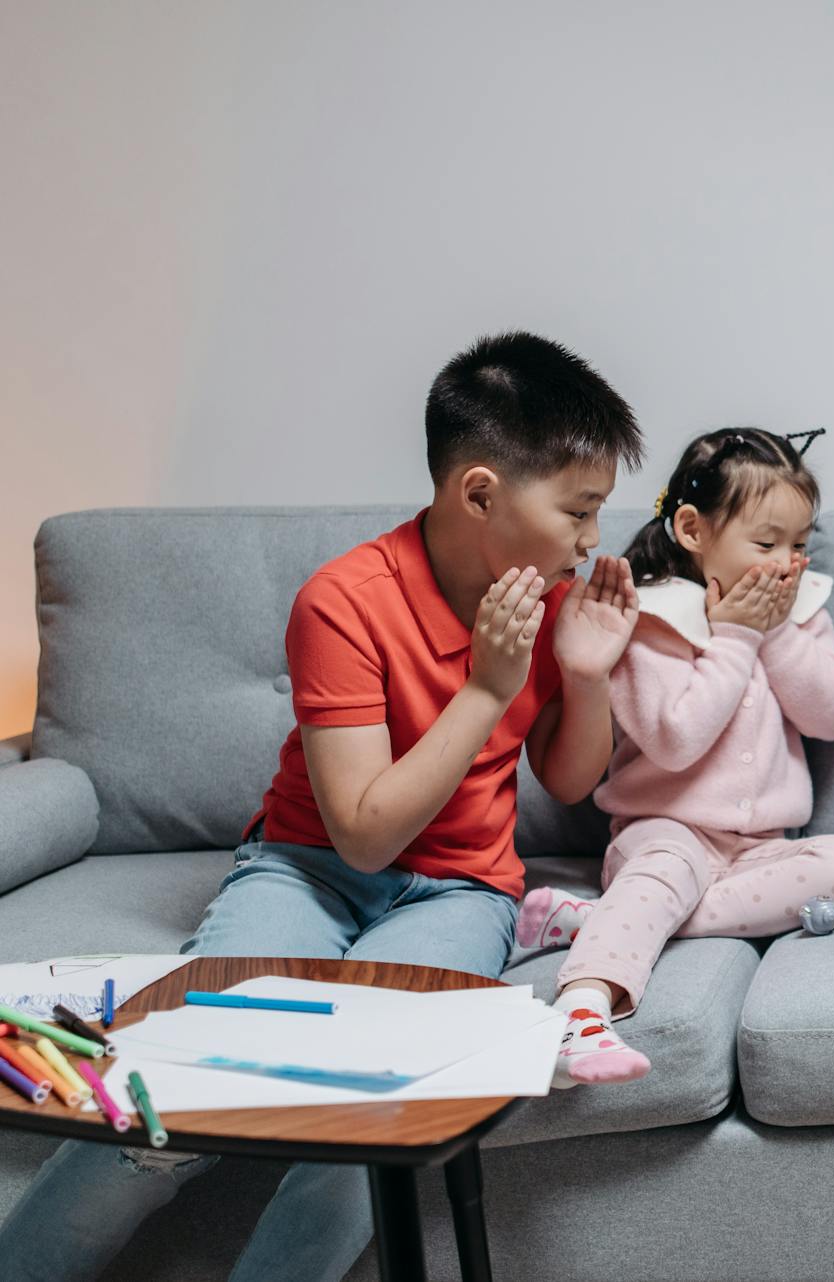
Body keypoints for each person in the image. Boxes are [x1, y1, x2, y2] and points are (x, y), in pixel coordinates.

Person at [0, 330, 645, 1282]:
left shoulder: (547, 600)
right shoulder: (343, 601)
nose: (594, 539)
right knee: (179, 1076)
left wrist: (586, 677)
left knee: (370, 1103)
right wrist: (484, 689)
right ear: (480, 493)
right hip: (307, 867)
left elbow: (567, 780)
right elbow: (366, 834)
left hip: (461, 892)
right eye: (579, 510)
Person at [515, 427, 834, 1087]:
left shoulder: (800, 613)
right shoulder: (651, 618)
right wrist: (735, 638)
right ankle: (582, 1010)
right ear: (692, 529)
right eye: (766, 544)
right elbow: (676, 739)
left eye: (799, 545)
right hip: (664, 832)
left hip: (761, 848)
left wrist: (773, 636)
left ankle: (607, 918)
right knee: (665, 870)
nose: (787, 564)